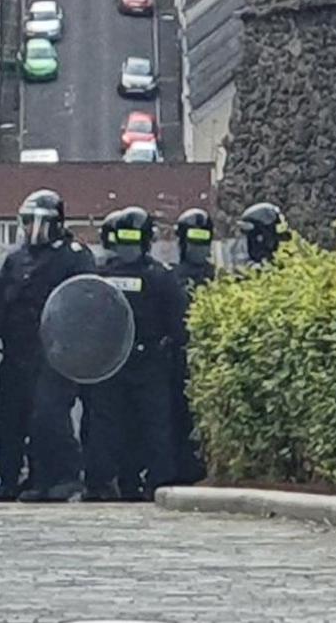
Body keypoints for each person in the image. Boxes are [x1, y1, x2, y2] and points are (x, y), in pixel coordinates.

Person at [0, 189, 96, 501]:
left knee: (48, 415)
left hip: (55, 353)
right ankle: (18, 479)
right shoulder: (16, 259)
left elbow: (86, 299)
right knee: (9, 419)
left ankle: (63, 476)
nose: (31, 229)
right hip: (16, 351)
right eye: (27, 222)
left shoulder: (74, 255)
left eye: (38, 222)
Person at [85, 206, 186, 501]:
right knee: (154, 423)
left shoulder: (100, 274)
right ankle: (157, 482)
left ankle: (102, 484)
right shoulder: (161, 277)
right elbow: (179, 323)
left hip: (109, 361)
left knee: (105, 424)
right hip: (148, 361)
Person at [168, 208, 216, 485]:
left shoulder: (216, 276)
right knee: (175, 416)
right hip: (175, 357)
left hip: (203, 358)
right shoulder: (172, 277)